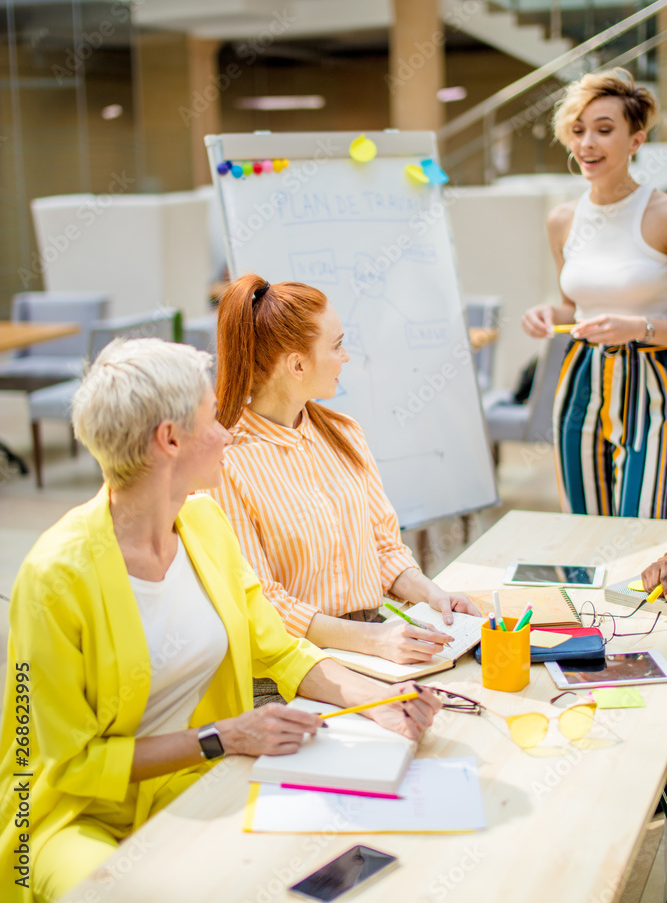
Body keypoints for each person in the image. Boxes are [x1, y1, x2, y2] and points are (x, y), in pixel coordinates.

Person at [0, 339, 439, 903]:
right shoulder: (55, 577)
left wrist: (382, 700)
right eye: (213, 418)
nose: (228, 433)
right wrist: (222, 738)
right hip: (79, 816)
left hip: (197, 781)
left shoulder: (205, 523)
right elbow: (71, 766)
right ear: (170, 440)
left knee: (340, 856)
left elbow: (280, 651)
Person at [209, 273, 480, 699]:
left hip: (375, 641)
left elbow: (384, 549)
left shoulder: (344, 433)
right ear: (297, 365)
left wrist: (433, 595)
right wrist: (375, 640)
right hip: (293, 668)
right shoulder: (225, 463)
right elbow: (264, 604)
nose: (346, 357)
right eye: (336, 346)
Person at [521, 69, 667, 518]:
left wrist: (638, 327)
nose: (587, 143)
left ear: (636, 141)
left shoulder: (661, 214)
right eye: (578, 130)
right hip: (581, 375)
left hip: (654, 379)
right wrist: (550, 313)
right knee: (584, 522)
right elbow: (574, 307)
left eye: (604, 130)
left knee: (644, 525)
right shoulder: (562, 220)